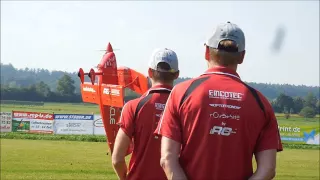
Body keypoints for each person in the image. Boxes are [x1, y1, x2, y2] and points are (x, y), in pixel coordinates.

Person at [155, 21, 283, 180]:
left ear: (206, 52)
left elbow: (167, 159)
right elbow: (268, 169)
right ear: (242, 56)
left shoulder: (181, 93)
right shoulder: (261, 103)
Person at [112, 48, 180, 180]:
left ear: (149, 72)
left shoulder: (133, 106)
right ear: (177, 74)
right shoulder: (185, 107)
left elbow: (117, 159)